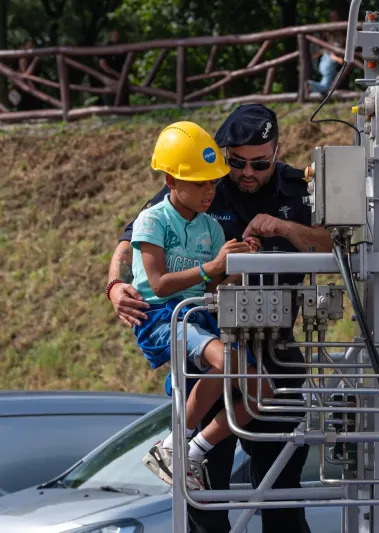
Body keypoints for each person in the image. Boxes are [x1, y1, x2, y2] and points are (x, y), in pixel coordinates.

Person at [106, 104, 333, 533]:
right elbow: (130, 237)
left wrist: (286, 231)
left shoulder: (295, 187)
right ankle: (181, 451)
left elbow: (338, 242)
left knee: (283, 489)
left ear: (277, 151)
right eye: (238, 162)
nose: (247, 173)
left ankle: (184, 449)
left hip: (275, 342)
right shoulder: (201, 184)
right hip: (208, 339)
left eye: (260, 163)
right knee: (205, 502)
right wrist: (115, 285)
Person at [129, 120, 268, 491]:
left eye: (212, 182)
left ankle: (190, 450)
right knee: (228, 361)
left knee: (262, 391)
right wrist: (213, 265)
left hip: (199, 313)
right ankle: (174, 444)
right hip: (161, 317)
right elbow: (157, 283)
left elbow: (213, 283)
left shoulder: (212, 228)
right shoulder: (152, 219)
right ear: (170, 182)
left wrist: (238, 264)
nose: (210, 191)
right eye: (199, 183)